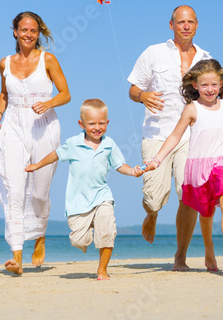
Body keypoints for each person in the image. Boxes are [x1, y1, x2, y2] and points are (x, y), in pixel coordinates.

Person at [145, 59, 223, 270]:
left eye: (214, 84)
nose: (210, 89)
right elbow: (175, 137)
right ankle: (209, 249)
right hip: (200, 165)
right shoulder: (192, 109)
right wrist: (157, 159)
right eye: (204, 85)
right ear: (195, 85)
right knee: (206, 213)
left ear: (222, 83)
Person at [127, 5, 212, 271]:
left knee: (188, 194)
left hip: (191, 136)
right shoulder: (153, 53)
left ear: (197, 25)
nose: (185, 26)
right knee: (154, 197)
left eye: (190, 22)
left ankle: (180, 258)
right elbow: (132, 89)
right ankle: (151, 215)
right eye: (180, 22)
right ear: (171, 25)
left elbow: (213, 99)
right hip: (157, 135)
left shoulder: (207, 59)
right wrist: (143, 96)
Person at [25, 99, 146, 280]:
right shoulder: (73, 143)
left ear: (107, 123)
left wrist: (133, 171)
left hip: (101, 196)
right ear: (81, 124)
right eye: (92, 124)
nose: (97, 128)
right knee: (79, 241)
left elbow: (120, 165)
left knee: (106, 231)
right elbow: (56, 154)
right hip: (77, 202)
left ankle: (102, 270)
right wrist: (37, 165)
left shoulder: (109, 144)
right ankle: (87, 232)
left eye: (101, 123)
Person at [0, 11, 71, 275]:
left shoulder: (47, 59)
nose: (28, 34)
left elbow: (66, 94)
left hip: (44, 127)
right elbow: (4, 93)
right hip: (13, 126)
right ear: (15, 31)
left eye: (33, 31)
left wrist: (48, 103)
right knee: (14, 189)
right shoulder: (4, 63)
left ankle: (40, 235)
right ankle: (16, 255)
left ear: (39, 34)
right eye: (24, 30)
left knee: (39, 191)